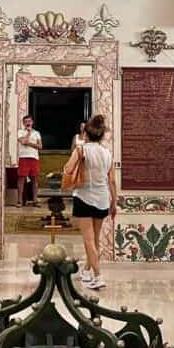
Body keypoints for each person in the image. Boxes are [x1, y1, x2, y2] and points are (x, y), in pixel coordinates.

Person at [70, 114, 117, 289]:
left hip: (84, 197)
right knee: (95, 239)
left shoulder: (81, 150)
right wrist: (114, 202)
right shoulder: (107, 153)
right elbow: (111, 180)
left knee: (88, 240)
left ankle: (98, 276)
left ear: (86, 134)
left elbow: (68, 168)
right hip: (103, 198)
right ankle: (87, 270)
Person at [17, 115, 42, 207]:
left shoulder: (37, 133)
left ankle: (35, 200)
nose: (28, 123)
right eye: (26, 121)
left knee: (35, 180)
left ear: (32, 122)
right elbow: (23, 142)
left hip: (34, 158)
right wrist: (28, 133)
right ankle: (19, 201)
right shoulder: (20, 132)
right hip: (23, 157)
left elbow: (40, 146)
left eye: (29, 121)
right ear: (23, 123)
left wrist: (29, 143)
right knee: (21, 179)